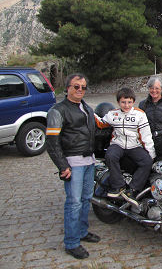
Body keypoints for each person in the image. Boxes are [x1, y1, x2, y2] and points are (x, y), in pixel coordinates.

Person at [46, 73, 100, 260]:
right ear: (67, 87)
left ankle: (82, 232)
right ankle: (71, 242)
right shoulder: (57, 110)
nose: (80, 90)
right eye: (76, 86)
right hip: (73, 163)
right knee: (74, 202)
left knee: (86, 199)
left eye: (83, 87)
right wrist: (62, 166)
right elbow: (52, 142)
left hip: (89, 161)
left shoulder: (86, 107)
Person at [94, 87, 155, 207]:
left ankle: (132, 190)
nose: (126, 105)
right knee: (110, 156)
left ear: (133, 102)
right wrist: (90, 113)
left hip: (134, 146)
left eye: (129, 102)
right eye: (123, 102)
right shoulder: (113, 114)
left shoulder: (140, 114)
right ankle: (118, 186)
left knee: (147, 162)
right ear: (118, 102)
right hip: (118, 144)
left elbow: (146, 135)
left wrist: (151, 153)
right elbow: (101, 123)